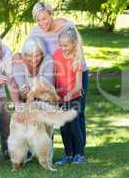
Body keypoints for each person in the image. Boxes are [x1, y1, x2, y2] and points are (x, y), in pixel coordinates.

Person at [17, 2, 89, 147]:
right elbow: (29, 48)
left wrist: (77, 82)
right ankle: (69, 152)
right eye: (38, 20)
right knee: (61, 112)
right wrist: (18, 55)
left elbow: (79, 49)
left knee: (77, 112)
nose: (42, 23)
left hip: (75, 73)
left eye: (45, 18)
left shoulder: (67, 26)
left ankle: (80, 151)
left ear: (51, 14)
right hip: (56, 76)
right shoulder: (35, 31)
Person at [54, 27, 86, 165]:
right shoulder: (56, 54)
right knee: (64, 127)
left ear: (73, 43)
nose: (63, 48)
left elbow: (79, 85)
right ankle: (69, 154)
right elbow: (55, 75)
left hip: (74, 97)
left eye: (65, 45)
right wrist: (54, 92)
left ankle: (80, 154)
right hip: (60, 97)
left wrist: (71, 93)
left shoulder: (77, 59)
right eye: (60, 45)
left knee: (74, 125)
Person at [13, 37, 54, 102]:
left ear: (42, 53)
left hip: (46, 102)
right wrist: (24, 92)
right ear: (24, 55)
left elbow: (48, 86)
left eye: (37, 55)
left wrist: (31, 93)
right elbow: (21, 91)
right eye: (29, 56)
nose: (33, 60)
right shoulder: (18, 63)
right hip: (26, 103)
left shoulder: (48, 60)